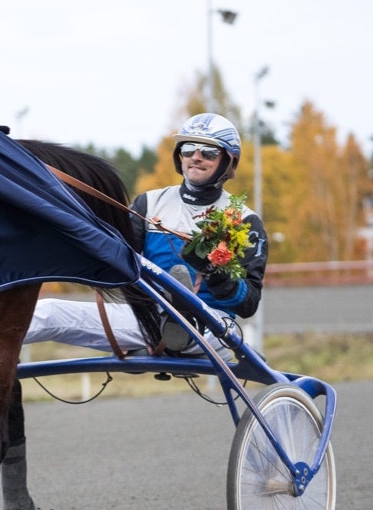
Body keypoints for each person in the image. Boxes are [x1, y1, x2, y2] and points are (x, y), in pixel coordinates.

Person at [25, 113, 268, 356]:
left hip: (214, 323)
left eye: (209, 152)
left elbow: (248, 304)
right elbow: (116, 258)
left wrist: (216, 273)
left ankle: (177, 325)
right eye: (188, 149)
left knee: (208, 327)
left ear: (228, 162)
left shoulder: (244, 221)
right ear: (179, 156)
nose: (195, 157)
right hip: (148, 316)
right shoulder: (148, 204)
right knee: (48, 312)